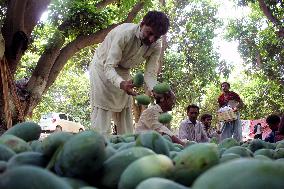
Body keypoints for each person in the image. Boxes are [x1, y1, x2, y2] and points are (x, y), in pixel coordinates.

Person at [89, 11, 170, 136]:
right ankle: (98, 146)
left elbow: (149, 74)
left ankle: (126, 148)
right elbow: (109, 67)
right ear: (142, 24)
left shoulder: (155, 46)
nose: (152, 39)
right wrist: (121, 84)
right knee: (102, 113)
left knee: (125, 113)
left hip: (124, 71)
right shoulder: (124, 34)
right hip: (102, 68)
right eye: (150, 33)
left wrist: (155, 89)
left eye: (157, 37)